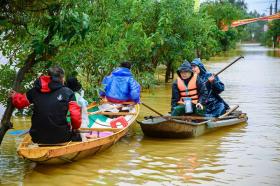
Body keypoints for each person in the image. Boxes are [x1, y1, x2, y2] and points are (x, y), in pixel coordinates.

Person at [10, 66, 82, 144]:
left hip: (37, 137)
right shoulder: (68, 92)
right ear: (62, 78)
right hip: (61, 137)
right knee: (77, 134)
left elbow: (20, 103)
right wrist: (75, 129)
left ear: (48, 76)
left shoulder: (34, 91)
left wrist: (15, 96)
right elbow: (75, 116)